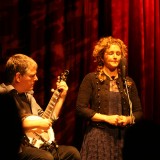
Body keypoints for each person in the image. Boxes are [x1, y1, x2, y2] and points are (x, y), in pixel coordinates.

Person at [0, 53, 81, 160]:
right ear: (18, 77)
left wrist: (61, 98)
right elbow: (7, 125)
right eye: (32, 75)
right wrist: (35, 123)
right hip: (15, 149)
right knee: (45, 158)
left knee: (72, 153)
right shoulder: (3, 94)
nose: (36, 78)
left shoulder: (28, 97)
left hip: (36, 145)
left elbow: (46, 121)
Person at [76, 36, 143, 160]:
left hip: (123, 138)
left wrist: (128, 119)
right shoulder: (91, 79)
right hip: (98, 136)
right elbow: (81, 109)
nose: (115, 56)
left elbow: (138, 112)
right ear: (102, 57)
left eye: (118, 53)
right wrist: (107, 118)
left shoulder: (128, 82)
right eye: (111, 53)